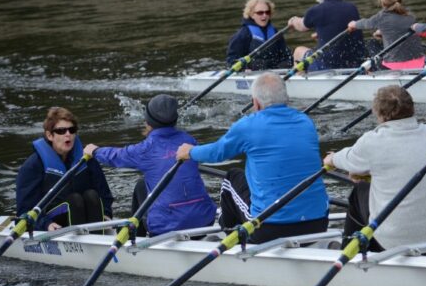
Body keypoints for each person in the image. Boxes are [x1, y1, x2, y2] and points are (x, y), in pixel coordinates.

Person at [176, 72, 329, 243]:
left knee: (231, 179)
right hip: (318, 224)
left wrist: (190, 152)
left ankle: (233, 239)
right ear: (287, 98)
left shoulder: (248, 126)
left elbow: (217, 153)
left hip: (270, 228)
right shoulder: (306, 122)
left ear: (256, 103)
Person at [323, 86, 426, 251]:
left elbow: (347, 159)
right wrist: (366, 172)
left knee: (360, 191)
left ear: (378, 113)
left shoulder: (372, 142)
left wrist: (331, 159)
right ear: (412, 108)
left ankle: (349, 249)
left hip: (393, 242)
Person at [83, 94, 216, 237]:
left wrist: (95, 151)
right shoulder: (190, 141)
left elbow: (116, 156)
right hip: (204, 220)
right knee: (147, 184)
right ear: (175, 119)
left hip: (166, 227)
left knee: (141, 186)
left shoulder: (145, 149)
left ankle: (135, 237)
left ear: (148, 121)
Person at [16, 107, 113, 231]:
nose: (68, 134)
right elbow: (24, 209)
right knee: (75, 200)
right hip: (53, 223)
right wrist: (45, 224)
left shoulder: (87, 158)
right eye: (61, 131)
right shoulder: (33, 165)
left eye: (71, 130)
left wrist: (106, 213)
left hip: (88, 218)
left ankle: (98, 237)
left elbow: (105, 194)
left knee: (91, 195)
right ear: (49, 135)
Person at [287, 0, 366, 70]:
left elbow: (301, 26)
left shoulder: (316, 10)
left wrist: (293, 20)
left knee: (298, 51)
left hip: (327, 65)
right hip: (354, 63)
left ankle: (300, 81)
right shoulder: (352, 7)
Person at [347, 0, 425, 70]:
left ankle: (370, 69)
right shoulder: (410, 15)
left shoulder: (382, 17)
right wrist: (382, 33)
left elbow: (366, 23)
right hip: (419, 63)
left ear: (382, 2)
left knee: (372, 44)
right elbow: (399, 27)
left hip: (394, 66)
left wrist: (353, 24)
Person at [226, 0, 293, 70]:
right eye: (260, 13)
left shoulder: (275, 32)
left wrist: (283, 66)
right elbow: (231, 60)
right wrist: (245, 68)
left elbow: (286, 57)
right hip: (251, 73)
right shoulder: (243, 34)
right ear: (251, 14)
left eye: (267, 12)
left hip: (274, 72)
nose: (264, 15)